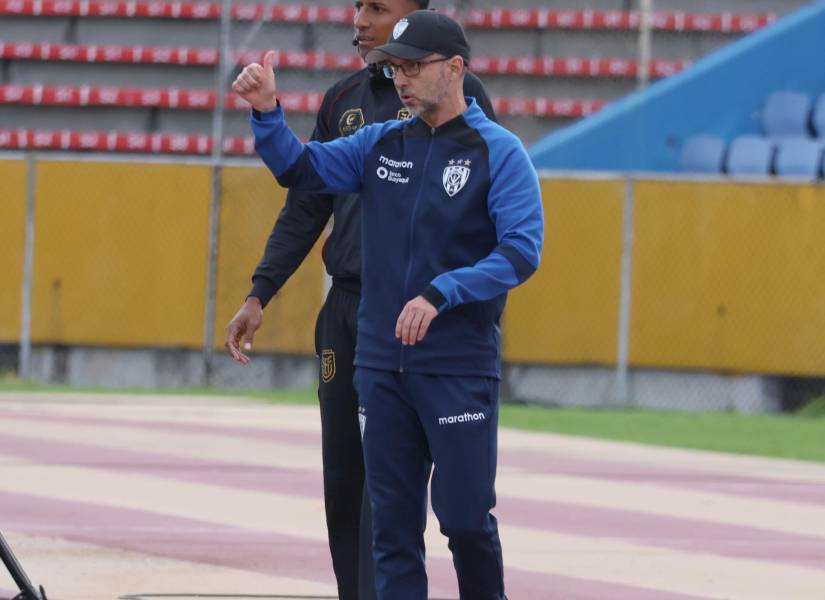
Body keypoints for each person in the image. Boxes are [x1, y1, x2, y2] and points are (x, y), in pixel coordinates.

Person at [232, 9, 542, 599]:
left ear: (454, 69)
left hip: (456, 366)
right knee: (393, 532)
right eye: (394, 68)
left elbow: (521, 252)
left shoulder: (499, 152)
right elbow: (300, 170)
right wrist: (268, 114)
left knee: (465, 522)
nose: (400, 79)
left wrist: (441, 292)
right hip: (379, 365)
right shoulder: (380, 143)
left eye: (413, 67)